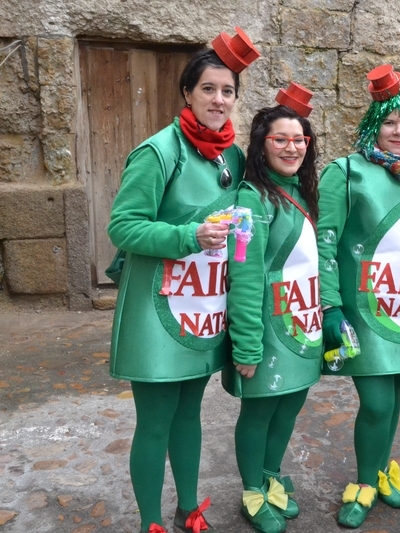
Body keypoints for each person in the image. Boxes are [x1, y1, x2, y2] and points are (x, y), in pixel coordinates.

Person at [107, 28, 259, 533]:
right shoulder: (158, 152)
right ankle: (151, 522)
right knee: (155, 420)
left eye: (228, 91)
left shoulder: (232, 156)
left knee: (190, 412)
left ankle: (188, 508)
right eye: (208, 89)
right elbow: (123, 226)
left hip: (204, 306)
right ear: (187, 93)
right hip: (157, 309)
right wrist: (188, 236)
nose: (219, 99)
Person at [316, 64, 400, 529]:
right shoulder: (345, 172)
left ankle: (382, 466)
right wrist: (330, 305)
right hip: (362, 311)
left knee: (393, 393)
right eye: (390, 121)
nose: (399, 131)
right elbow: (325, 242)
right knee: (376, 402)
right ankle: (365, 482)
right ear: (374, 123)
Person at [222, 83, 321, 533]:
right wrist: (246, 343)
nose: (292, 147)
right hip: (267, 328)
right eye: (280, 139)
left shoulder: (301, 191)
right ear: (261, 145)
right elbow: (244, 274)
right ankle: (252, 491)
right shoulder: (251, 199)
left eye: (299, 139)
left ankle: (271, 474)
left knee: (290, 406)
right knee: (260, 411)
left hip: (302, 324)